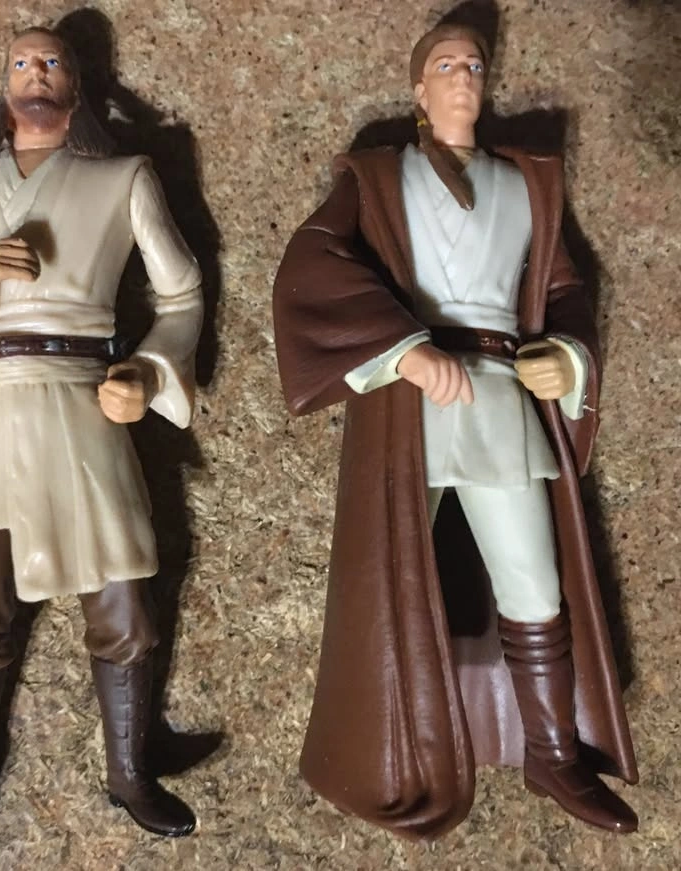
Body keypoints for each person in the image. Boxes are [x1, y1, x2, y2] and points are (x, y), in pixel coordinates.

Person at [273, 21, 638, 838]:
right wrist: (401, 349)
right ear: (419, 89)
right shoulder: (378, 176)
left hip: (501, 399)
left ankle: (553, 751)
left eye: (475, 65)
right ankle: (390, 747)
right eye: (446, 65)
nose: (465, 77)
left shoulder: (526, 183)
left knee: (534, 582)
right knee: (391, 580)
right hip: (412, 411)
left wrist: (565, 357)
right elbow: (313, 262)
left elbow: (566, 289)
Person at [0, 27, 203, 862]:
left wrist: (145, 371)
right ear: (3, 84)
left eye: (51, 62)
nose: (36, 74)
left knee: (121, 591)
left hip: (81, 395)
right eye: (22, 63)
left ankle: (131, 769)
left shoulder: (120, 178)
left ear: (77, 83)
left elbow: (181, 295)